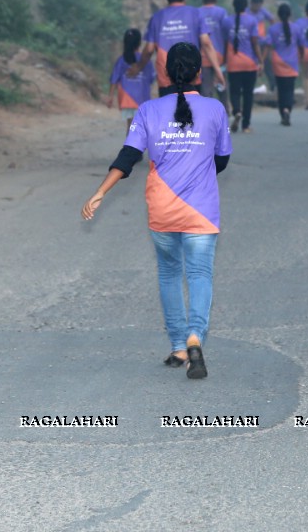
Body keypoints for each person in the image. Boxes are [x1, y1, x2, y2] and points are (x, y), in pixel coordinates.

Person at [82, 42, 231, 380]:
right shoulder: (215, 109)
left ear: (164, 73)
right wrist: (199, 173)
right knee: (199, 275)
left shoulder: (148, 110)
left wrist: (100, 192)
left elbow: (128, 156)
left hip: (162, 210)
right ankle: (195, 337)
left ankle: (179, 345)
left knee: (168, 273)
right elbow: (221, 160)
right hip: (201, 212)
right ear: (198, 71)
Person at [134, 0, 225, 96]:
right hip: (191, 76)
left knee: (170, 113)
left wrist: (138, 67)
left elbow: (149, 49)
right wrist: (218, 70)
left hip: (166, 78)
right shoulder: (196, 14)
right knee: (192, 112)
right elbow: (206, 43)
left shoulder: (157, 18)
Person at [222, 0, 264, 133]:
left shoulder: (227, 21)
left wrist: (222, 61)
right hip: (249, 63)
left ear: (234, 5)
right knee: (248, 94)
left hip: (233, 63)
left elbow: (224, 43)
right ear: (246, 5)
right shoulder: (252, 21)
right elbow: (255, 43)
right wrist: (261, 61)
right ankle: (246, 125)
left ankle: (237, 112)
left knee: (234, 92)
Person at [107, 29, 155, 133]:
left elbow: (114, 79)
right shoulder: (145, 61)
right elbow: (151, 79)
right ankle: (136, 147)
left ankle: (130, 147)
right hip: (142, 98)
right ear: (139, 43)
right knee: (141, 127)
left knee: (131, 125)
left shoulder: (121, 60)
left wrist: (110, 97)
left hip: (126, 98)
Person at [262, 3, 303, 126]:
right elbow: (301, 46)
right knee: (289, 89)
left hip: (278, 61)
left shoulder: (273, 29)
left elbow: (268, 45)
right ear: (290, 14)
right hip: (292, 62)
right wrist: (301, 58)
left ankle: (282, 111)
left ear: (278, 15)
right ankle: (287, 109)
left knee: (280, 88)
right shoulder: (296, 28)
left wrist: (262, 61)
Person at [197, 0, 230, 111]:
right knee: (222, 84)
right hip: (219, 56)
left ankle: (207, 112)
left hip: (203, 56)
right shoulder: (221, 12)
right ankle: (226, 110)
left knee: (206, 88)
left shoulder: (197, 12)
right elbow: (226, 34)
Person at [250, 0, 276, 94]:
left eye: (259, 5)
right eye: (256, 5)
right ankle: (252, 86)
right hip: (252, 43)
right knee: (253, 64)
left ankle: (273, 85)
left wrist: (270, 33)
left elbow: (272, 20)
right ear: (252, 4)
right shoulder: (248, 12)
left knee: (268, 63)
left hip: (263, 42)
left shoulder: (263, 12)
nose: (258, 7)